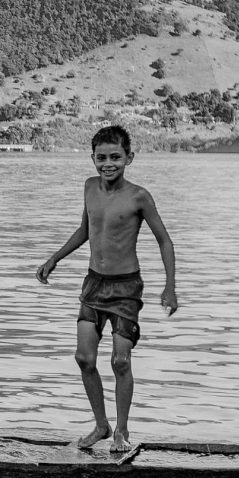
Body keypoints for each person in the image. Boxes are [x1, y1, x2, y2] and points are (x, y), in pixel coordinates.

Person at [36, 125, 177, 452]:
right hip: (94, 284)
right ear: (92, 158)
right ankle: (101, 425)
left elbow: (164, 241)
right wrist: (55, 258)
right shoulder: (89, 188)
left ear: (129, 157)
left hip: (126, 289)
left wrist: (170, 286)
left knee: (120, 361)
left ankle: (122, 433)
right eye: (101, 158)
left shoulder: (139, 197)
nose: (108, 163)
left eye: (116, 157)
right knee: (84, 357)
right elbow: (86, 229)